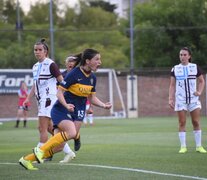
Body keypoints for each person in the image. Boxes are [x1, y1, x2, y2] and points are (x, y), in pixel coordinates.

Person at [19, 48, 112, 170]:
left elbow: (92, 98)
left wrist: (104, 105)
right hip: (62, 109)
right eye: (97, 59)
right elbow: (59, 93)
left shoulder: (93, 78)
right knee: (72, 132)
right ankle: (40, 150)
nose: (100, 62)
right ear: (88, 61)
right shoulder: (74, 73)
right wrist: (66, 105)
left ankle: (26, 160)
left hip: (78, 111)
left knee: (59, 146)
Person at [23, 38, 74, 163]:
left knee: (42, 128)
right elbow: (35, 85)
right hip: (41, 101)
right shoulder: (35, 66)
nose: (37, 52)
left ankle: (38, 155)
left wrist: (67, 97)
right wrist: (28, 98)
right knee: (50, 128)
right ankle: (68, 152)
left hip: (49, 99)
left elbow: (62, 81)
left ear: (45, 52)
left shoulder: (51, 64)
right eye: (35, 50)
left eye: (40, 50)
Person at [168, 47, 206, 154]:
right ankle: (183, 146)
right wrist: (170, 98)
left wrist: (199, 92)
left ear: (189, 56)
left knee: (196, 122)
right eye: (181, 55)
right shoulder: (175, 69)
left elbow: (202, 81)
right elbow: (172, 85)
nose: (182, 57)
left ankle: (199, 146)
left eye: (185, 55)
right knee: (182, 122)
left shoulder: (195, 67)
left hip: (194, 100)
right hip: (180, 99)